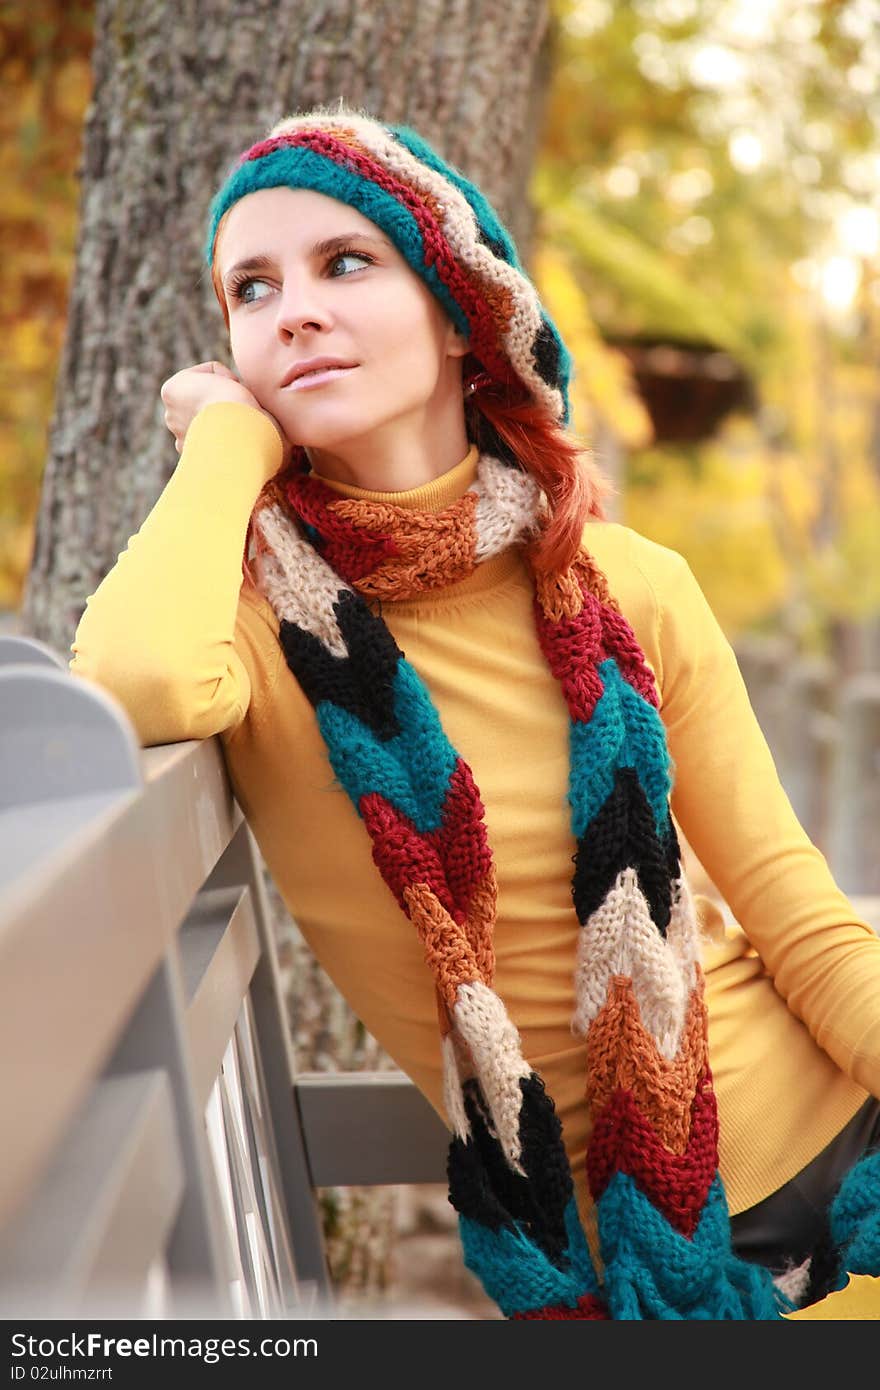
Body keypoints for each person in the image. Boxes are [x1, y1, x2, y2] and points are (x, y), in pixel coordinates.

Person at [69, 105, 880, 1319]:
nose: (294, 308)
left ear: (460, 317)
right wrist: (226, 447)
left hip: (846, 1154)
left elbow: (797, 915)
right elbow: (133, 684)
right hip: (625, 1260)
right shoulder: (259, 626)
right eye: (252, 288)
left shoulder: (630, 582)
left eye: (347, 263)